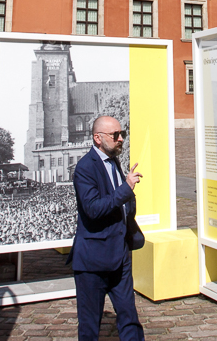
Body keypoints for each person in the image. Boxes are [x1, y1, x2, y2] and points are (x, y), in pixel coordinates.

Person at [69, 115, 145, 341]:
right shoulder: (85, 168)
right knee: (90, 327)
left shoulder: (114, 162)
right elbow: (93, 209)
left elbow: (120, 202)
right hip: (93, 261)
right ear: (98, 138)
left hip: (119, 255)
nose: (121, 138)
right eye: (115, 135)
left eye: (122, 134)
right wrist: (127, 188)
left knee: (130, 318)